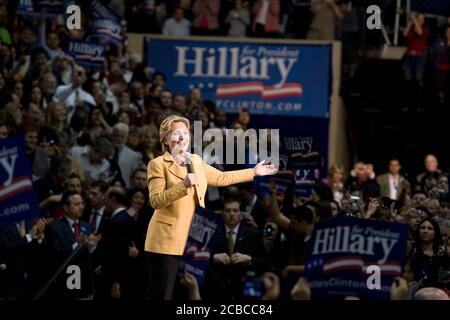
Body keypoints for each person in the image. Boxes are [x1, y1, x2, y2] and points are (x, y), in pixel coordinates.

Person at [145, 115, 277, 300]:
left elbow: (222, 178)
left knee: (188, 293)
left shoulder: (196, 161)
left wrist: (253, 172)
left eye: (185, 132)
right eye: (176, 133)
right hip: (166, 241)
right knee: (162, 294)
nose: (182, 137)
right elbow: (156, 201)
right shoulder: (157, 164)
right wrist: (182, 186)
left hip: (194, 241)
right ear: (165, 139)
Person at [206, 198, 266, 300]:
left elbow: (264, 262)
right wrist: (213, 257)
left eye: (235, 210)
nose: (232, 214)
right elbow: (197, 258)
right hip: (216, 290)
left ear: (241, 215)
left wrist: (249, 259)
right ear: (222, 214)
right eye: (228, 211)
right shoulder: (211, 233)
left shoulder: (253, 234)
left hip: (243, 290)